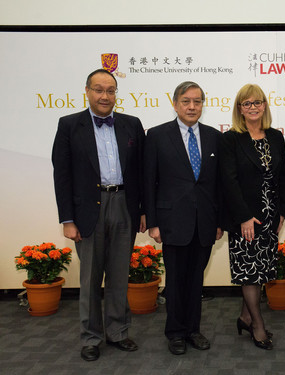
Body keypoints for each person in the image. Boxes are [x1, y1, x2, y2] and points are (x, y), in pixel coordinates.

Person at [52, 69, 146, 361]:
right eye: (99, 90)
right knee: (91, 278)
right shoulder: (69, 125)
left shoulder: (132, 124)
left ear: (116, 94)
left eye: (111, 90)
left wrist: (142, 211)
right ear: (87, 91)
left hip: (124, 205)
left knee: (119, 274)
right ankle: (91, 337)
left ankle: (118, 332)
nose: (105, 96)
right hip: (87, 210)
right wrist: (67, 219)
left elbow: (141, 173)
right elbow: (62, 175)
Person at [144, 81, 223, 355]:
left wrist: (219, 221)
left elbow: (218, 184)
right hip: (171, 221)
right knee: (176, 280)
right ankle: (175, 332)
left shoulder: (215, 137)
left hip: (204, 222)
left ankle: (193, 330)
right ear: (175, 103)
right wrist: (153, 222)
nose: (192, 107)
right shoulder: (156, 135)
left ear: (203, 104)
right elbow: (149, 181)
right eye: (186, 101)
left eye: (197, 101)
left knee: (196, 280)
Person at [220, 84, 285, 350]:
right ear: (239, 109)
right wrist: (244, 216)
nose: (252, 107)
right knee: (249, 271)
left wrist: (282, 211)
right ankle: (257, 325)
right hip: (246, 218)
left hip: (270, 214)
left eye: (257, 102)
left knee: (261, 270)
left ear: (264, 105)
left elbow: (283, 176)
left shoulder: (274, 136)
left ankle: (244, 315)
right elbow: (229, 181)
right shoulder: (230, 139)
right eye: (246, 103)